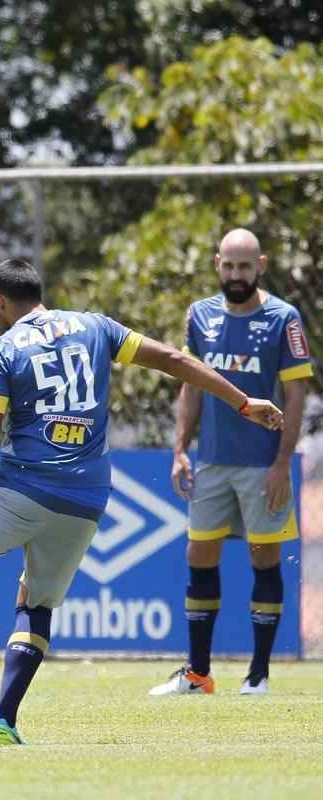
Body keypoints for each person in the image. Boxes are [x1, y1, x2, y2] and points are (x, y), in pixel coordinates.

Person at [0, 258, 283, 746]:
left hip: (22, 484)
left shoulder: (0, 352)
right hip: (85, 498)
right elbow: (174, 361)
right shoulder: (96, 327)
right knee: (36, 606)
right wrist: (244, 402)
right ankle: (3, 720)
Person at [151, 228, 310, 697]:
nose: (236, 275)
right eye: (229, 265)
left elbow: (297, 395)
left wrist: (283, 460)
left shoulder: (284, 318)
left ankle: (257, 675)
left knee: (265, 558)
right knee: (199, 555)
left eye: (245, 266)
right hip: (213, 464)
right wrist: (181, 449)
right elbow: (191, 385)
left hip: (264, 464)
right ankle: (198, 675)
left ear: (260, 265)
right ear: (217, 263)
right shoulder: (200, 316)